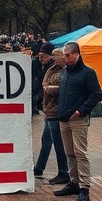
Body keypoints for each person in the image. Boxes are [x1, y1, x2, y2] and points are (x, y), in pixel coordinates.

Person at [53, 42, 102, 201]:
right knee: (70, 153)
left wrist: (81, 111)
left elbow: (97, 94)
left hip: (78, 119)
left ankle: (84, 187)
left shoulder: (87, 73)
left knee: (80, 152)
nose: (65, 58)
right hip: (64, 118)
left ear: (77, 54)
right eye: (64, 55)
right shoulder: (65, 72)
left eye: (68, 55)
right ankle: (74, 182)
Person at [34, 49, 70, 185]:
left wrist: (50, 89)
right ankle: (39, 167)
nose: (55, 58)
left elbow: (64, 88)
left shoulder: (65, 71)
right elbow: (44, 84)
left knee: (58, 142)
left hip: (56, 111)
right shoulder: (52, 69)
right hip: (49, 110)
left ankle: (63, 171)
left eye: (57, 55)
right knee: (46, 140)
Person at [31, 42, 55, 115]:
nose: (40, 59)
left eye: (43, 56)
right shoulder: (40, 66)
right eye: (39, 56)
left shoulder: (52, 68)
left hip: (49, 105)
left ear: (50, 56)